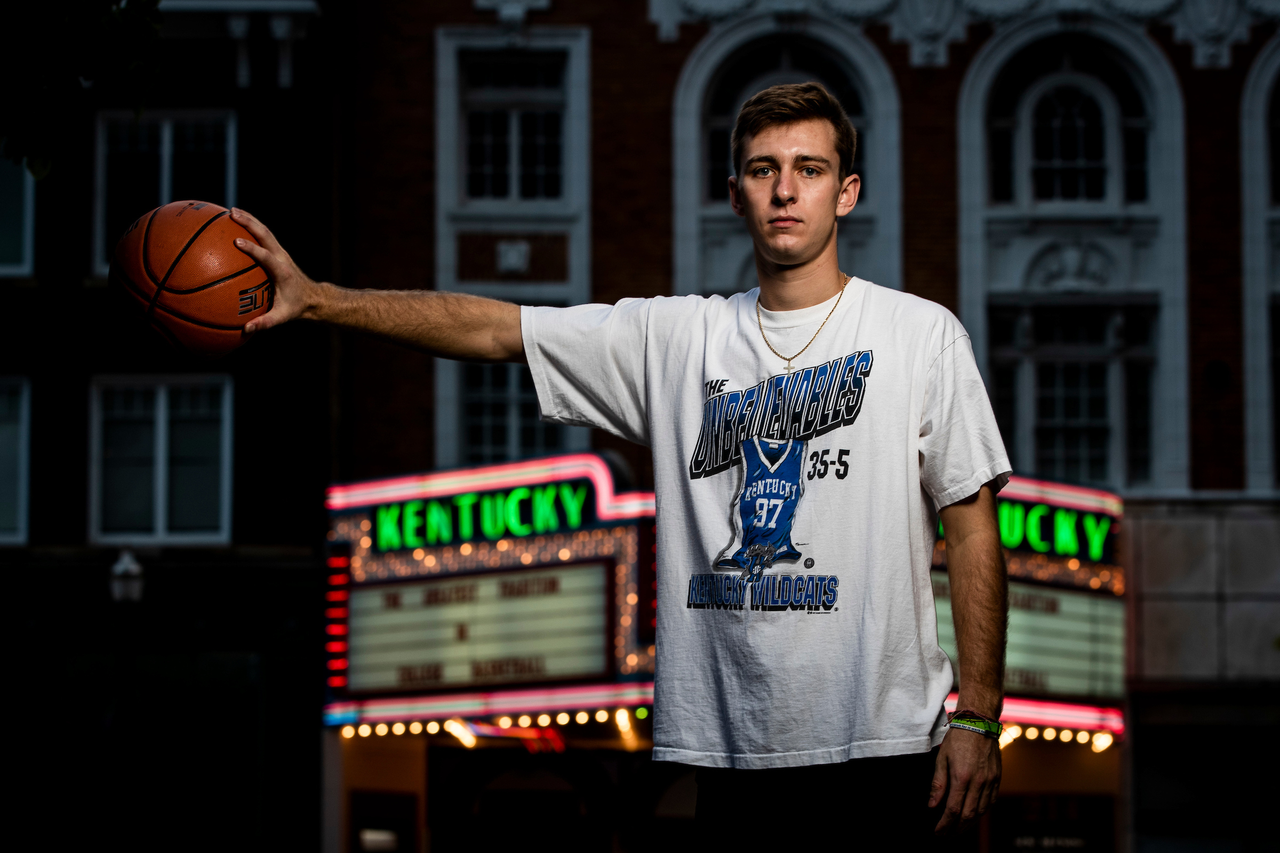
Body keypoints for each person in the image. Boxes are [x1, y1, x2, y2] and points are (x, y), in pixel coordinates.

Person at [232, 82, 1009, 849]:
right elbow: (499, 329)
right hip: (729, 758)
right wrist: (324, 300)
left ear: (846, 193)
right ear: (734, 194)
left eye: (808, 169)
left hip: (882, 751)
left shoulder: (918, 336)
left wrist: (978, 713)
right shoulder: (674, 340)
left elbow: (973, 530)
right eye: (762, 168)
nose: (785, 188)